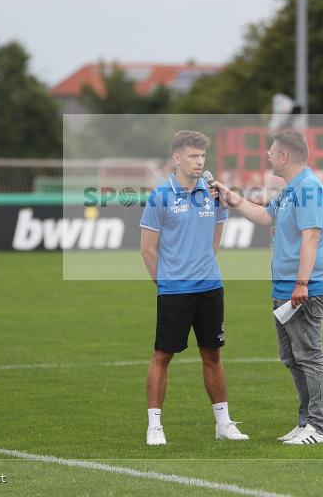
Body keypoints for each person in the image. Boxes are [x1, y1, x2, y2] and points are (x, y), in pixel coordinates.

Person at [212, 129, 323, 445]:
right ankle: (306, 422)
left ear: (285, 156)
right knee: (292, 358)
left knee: (310, 356)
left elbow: (311, 237)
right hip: (284, 288)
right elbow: (264, 217)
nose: (267, 154)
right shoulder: (290, 190)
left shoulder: (307, 188)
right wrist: (230, 194)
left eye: (271, 150)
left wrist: (302, 283)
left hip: (304, 288)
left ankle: (319, 428)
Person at [139, 130, 248, 446]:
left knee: (212, 354)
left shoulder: (213, 192)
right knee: (163, 355)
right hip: (174, 290)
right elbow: (148, 249)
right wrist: (166, 283)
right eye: (193, 156)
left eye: (202, 156)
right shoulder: (160, 195)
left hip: (210, 287)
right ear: (177, 158)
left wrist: (204, 264)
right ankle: (155, 426)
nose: (200, 162)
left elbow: (217, 232)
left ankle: (223, 423)